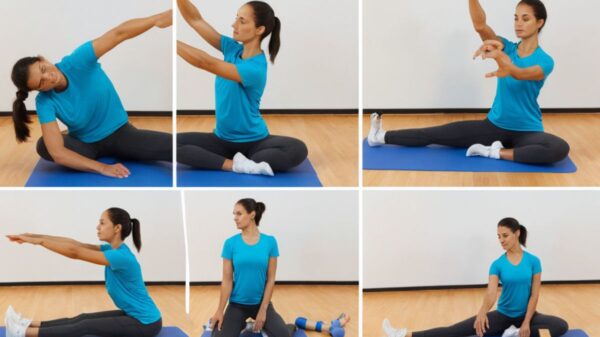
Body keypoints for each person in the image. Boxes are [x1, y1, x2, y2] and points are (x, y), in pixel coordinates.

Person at [368, 0, 569, 165]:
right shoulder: (505, 47)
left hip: (528, 132)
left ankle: (494, 152)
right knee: (435, 134)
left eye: (525, 19)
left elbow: (523, 74)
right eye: (516, 18)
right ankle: (380, 136)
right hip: (493, 127)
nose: (518, 23)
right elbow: (480, 26)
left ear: (539, 22)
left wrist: (503, 62)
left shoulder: (545, 60)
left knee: (559, 148)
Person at [11, 10, 173, 178]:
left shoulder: (77, 61)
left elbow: (118, 34)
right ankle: (80, 144)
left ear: (42, 59)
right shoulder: (44, 101)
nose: (48, 78)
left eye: (43, 69)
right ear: (37, 90)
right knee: (44, 145)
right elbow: (57, 152)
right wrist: (101, 168)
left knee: (171, 147)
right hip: (88, 146)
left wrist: (156, 19)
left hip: (119, 133)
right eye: (40, 83)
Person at [177, 0, 308, 176]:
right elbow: (195, 20)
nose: (234, 24)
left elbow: (205, 62)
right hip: (220, 140)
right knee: (170, 145)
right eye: (236, 18)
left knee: (297, 149)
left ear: (259, 30)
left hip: (255, 142)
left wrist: (173, 43)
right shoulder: (232, 49)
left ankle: (243, 160)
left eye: (242, 21)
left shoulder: (255, 68)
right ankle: (235, 164)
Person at [382, 217, 569, 337]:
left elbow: (534, 295)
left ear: (517, 233)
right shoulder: (497, 264)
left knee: (560, 326)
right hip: (503, 315)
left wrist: (527, 322)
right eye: (498, 237)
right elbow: (490, 293)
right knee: (455, 331)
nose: (501, 240)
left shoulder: (533, 261)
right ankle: (403, 334)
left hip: (528, 315)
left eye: (505, 235)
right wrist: (482, 313)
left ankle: (515, 333)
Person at [4, 208, 162, 337]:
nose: (97, 227)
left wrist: (40, 242)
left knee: (85, 326)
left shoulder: (121, 257)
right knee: (83, 318)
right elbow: (76, 245)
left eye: (102, 223)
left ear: (117, 228)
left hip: (145, 323)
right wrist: (36, 236)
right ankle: (28, 324)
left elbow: (75, 252)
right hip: (136, 315)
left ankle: (22, 333)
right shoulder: (113, 249)